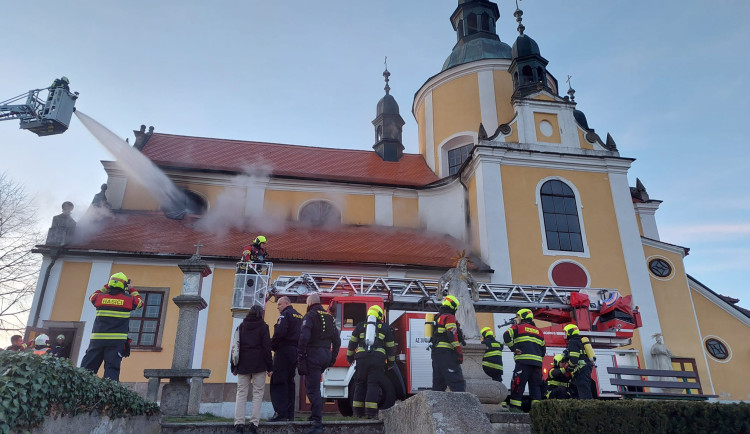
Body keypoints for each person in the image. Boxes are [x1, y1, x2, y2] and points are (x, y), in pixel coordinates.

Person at [80, 272, 143, 382]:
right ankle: (108, 395)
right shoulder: (128, 300)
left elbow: (92, 296)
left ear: (110, 284)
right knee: (111, 371)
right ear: (124, 286)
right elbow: (140, 302)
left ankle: (81, 389)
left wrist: (106, 287)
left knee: (88, 368)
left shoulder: (99, 298)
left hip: (98, 340)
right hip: (116, 341)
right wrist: (132, 289)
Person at [298, 294, 341, 434]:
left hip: (313, 355)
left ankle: (317, 423)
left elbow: (304, 336)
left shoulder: (310, 316)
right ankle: (314, 414)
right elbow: (337, 340)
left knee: (312, 388)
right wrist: (333, 357)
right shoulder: (330, 317)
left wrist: (301, 355)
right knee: (312, 385)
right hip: (325, 356)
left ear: (310, 302)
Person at [346, 305, 395, 418]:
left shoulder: (360, 326)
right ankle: (371, 413)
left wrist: (350, 358)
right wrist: (391, 363)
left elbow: (352, 343)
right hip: (377, 359)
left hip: (361, 359)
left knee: (360, 384)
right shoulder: (385, 328)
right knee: (373, 384)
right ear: (379, 315)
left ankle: (357, 413)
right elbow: (391, 348)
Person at [231, 305, 273, 434]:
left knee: (241, 393)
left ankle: (239, 424)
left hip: (243, 364)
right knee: (258, 394)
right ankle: (253, 425)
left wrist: (233, 366)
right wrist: (270, 367)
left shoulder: (241, 326)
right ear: (260, 313)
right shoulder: (263, 326)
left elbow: (235, 347)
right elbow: (267, 348)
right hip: (259, 364)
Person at [503, 308, 545, 412]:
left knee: (517, 386)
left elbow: (506, 335)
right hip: (537, 366)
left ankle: (515, 411)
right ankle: (537, 412)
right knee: (536, 389)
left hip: (523, 363)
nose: (517, 319)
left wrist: (513, 348)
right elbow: (543, 350)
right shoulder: (539, 332)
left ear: (522, 317)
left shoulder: (518, 327)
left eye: (518, 317)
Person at [269, 296, 303, 422]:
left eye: (279, 304)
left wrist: (272, 345)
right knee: (290, 382)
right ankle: (290, 414)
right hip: (294, 352)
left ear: (287, 303)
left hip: (283, 351)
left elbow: (280, 332)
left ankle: (280, 414)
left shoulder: (285, 315)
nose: (277, 307)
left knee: (279, 381)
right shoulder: (299, 316)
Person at [430, 295, 466, 392]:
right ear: (453, 306)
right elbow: (451, 334)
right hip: (446, 354)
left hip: (436, 353)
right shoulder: (449, 317)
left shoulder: (438, 317)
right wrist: (458, 351)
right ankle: (462, 406)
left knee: (438, 384)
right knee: (457, 382)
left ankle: (436, 406)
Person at [562, 324, 594, 399]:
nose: (565, 334)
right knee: (585, 390)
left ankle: (588, 408)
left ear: (570, 332)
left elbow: (574, 360)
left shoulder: (573, 342)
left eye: (565, 332)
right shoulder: (579, 341)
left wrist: (568, 369)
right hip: (585, 367)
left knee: (584, 392)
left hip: (581, 370)